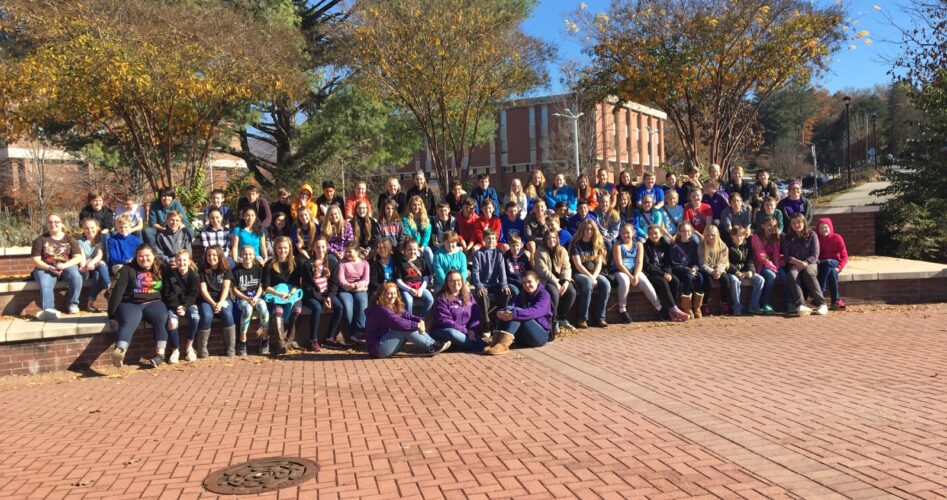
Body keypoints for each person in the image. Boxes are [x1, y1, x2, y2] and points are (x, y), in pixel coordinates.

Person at [106, 243, 169, 368]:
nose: (144, 259)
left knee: (161, 318)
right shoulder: (127, 269)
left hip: (153, 302)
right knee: (129, 321)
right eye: (140, 256)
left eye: (147, 256)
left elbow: (168, 289)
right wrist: (112, 313)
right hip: (131, 303)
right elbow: (117, 292)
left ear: (154, 256)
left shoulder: (161, 268)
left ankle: (160, 354)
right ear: (136, 257)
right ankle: (120, 351)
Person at [364, 283, 450, 358]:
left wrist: (420, 320)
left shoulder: (392, 305)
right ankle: (431, 347)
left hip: (386, 342)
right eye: (389, 293)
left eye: (394, 293)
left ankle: (434, 344)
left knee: (409, 325)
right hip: (378, 348)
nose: (393, 296)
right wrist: (417, 325)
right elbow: (397, 322)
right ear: (382, 295)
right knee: (405, 328)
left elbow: (407, 315)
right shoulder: (380, 309)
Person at [612, 224, 674, 323]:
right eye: (623, 233)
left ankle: (659, 308)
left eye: (628, 233)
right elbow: (619, 263)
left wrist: (636, 276)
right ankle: (622, 310)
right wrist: (630, 277)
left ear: (633, 233)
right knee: (625, 282)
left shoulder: (639, 244)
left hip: (635, 270)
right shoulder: (617, 245)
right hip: (621, 271)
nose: (625, 235)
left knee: (645, 282)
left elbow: (639, 262)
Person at [484, 272, 552, 355]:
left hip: (539, 337)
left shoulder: (544, 295)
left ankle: (503, 345)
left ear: (537, 282)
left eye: (529, 282)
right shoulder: (522, 294)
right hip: (522, 339)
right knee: (511, 311)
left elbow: (535, 311)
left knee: (516, 313)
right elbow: (510, 306)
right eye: (524, 283)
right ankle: (496, 343)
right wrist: (500, 312)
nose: (527, 285)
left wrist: (514, 315)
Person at [263, 237, 305, 354]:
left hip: (291, 294)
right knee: (278, 311)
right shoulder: (269, 264)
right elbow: (266, 286)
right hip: (275, 294)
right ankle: (281, 343)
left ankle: (290, 340)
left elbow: (297, 284)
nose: (282, 250)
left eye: (285, 248)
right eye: (279, 248)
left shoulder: (294, 263)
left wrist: (291, 293)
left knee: (297, 309)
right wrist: (278, 294)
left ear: (290, 248)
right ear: (275, 249)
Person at [301, 237, 345, 351]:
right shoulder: (308, 264)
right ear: (313, 248)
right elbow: (307, 287)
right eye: (318, 247)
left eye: (323, 247)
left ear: (327, 247)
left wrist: (329, 297)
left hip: (326, 293)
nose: (320, 250)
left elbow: (334, 283)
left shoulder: (332, 261)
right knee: (317, 308)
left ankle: (329, 338)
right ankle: (313, 340)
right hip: (312, 295)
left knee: (339, 307)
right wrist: (322, 299)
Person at [781, 213, 828, 316]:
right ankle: (801, 305)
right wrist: (798, 262)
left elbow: (815, 254)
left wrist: (806, 262)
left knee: (808, 273)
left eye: (799, 222)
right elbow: (786, 256)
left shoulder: (812, 235)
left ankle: (821, 303)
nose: (796, 225)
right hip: (795, 263)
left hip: (810, 263)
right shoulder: (787, 237)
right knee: (792, 275)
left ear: (804, 223)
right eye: (793, 223)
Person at [430, 270, 486, 351]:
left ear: (462, 281)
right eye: (452, 281)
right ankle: (482, 347)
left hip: (466, 332)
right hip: (443, 330)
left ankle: (463, 345)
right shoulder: (442, 298)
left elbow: (476, 315)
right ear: (447, 283)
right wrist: (465, 331)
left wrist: (473, 330)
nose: (456, 283)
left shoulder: (468, 296)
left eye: (458, 280)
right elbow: (445, 320)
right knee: (453, 333)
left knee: (468, 336)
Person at [570, 219, 611, 329]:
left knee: (606, 284)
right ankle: (582, 318)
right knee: (588, 283)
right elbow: (578, 265)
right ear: (582, 230)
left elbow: (598, 264)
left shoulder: (596, 244)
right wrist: (591, 277)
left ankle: (600, 317)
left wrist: (594, 277)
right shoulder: (576, 245)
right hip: (579, 273)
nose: (589, 231)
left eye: (592, 229)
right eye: (586, 229)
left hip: (594, 273)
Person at [196, 245, 236, 357]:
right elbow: (203, 290)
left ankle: (231, 348)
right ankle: (202, 348)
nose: (211, 257)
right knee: (206, 315)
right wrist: (213, 304)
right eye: (208, 255)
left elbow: (226, 288)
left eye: (214, 255)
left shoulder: (226, 269)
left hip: (223, 299)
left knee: (227, 314)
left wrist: (220, 302)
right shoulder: (202, 269)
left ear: (219, 256)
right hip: (207, 300)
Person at [642, 224, 688, 322]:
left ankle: (671, 310)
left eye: (655, 233)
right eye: (651, 234)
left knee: (675, 281)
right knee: (663, 282)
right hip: (652, 274)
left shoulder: (666, 245)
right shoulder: (645, 246)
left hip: (664, 272)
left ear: (661, 234)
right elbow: (648, 265)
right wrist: (663, 274)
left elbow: (669, 262)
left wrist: (668, 273)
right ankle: (675, 309)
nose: (653, 236)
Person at [534, 230, 577, 334]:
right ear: (545, 240)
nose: (551, 240)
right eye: (548, 238)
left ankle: (562, 318)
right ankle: (554, 320)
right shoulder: (540, 251)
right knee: (554, 293)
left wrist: (566, 281)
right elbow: (543, 271)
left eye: (553, 238)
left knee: (571, 292)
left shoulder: (562, 250)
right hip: (547, 280)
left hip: (561, 279)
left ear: (557, 239)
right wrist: (556, 283)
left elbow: (567, 267)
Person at [163, 248, 200, 363]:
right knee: (172, 322)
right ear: (175, 261)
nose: (181, 263)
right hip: (174, 305)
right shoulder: (169, 275)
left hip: (188, 304)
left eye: (184, 260)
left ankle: (189, 348)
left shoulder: (194, 276)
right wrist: (177, 306)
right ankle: (175, 350)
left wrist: (185, 307)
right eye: (179, 260)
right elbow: (167, 293)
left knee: (195, 318)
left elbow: (193, 294)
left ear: (189, 261)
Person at [231, 245, 269, 356]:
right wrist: (247, 298)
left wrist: (256, 297)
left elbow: (261, 286)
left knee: (263, 307)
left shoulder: (258, 269)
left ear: (254, 256)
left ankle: (265, 339)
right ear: (241, 255)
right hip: (242, 298)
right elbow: (234, 290)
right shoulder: (236, 270)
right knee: (247, 309)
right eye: (245, 254)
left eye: (250, 254)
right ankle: (242, 341)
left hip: (256, 296)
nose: (247, 256)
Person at [471, 229, 511, 334]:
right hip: (483, 284)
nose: (491, 241)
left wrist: (504, 285)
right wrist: (479, 286)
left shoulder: (499, 253)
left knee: (506, 293)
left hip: (495, 284)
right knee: (483, 296)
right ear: (483, 240)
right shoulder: (478, 254)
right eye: (488, 238)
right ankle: (487, 323)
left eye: (493, 238)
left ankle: (499, 320)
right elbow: (475, 272)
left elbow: (502, 271)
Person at [727, 226, 765, 315]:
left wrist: (750, 271)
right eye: (737, 235)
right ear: (732, 236)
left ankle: (753, 306)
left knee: (760, 280)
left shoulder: (747, 245)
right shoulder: (727, 246)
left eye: (741, 235)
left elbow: (750, 260)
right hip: (732, 272)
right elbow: (727, 263)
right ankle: (737, 308)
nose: (739, 238)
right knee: (735, 281)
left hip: (745, 271)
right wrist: (736, 272)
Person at [671, 222, 707, 319]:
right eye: (683, 231)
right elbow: (675, 263)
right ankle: (687, 307)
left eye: (688, 231)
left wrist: (694, 269)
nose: (686, 233)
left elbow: (696, 260)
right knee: (688, 278)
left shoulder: (694, 244)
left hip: (692, 269)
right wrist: (688, 270)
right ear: (679, 232)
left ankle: (697, 307)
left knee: (700, 277)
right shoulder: (675, 245)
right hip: (680, 270)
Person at [336, 244, 371, 342]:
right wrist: (353, 287)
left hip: (358, 288)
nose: (347, 254)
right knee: (348, 307)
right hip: (345, 289)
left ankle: (360, 331)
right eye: (346, 251)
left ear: (357, 252)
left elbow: (366, 280)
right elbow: (341, 280)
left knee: (362, 302)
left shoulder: (364, 263)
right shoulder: (342, 263)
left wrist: (355, 286)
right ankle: (351, 331)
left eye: (350, 251)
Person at [395, 238, 435, 316]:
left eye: (414, 249)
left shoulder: (422, 261)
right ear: (405, 250)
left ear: (418, 249)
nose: (412, 252)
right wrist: (410, 290)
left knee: (430, 300)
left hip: (420, 287)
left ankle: (421, 318)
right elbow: (398, 281)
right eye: (409, 250)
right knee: (409, 301)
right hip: (406, 288)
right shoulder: (401, 262)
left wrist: (421, 290)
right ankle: (409, 319)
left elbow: (426, 278)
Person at [77, 218, 110, 312]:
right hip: (87, 268)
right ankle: (110, 290)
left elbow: (99, 254)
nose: (89, 230)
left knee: (98, 273)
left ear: (97, 228)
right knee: (100, 266)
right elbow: (82, 257)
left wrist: (92, 262)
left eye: (92, 227)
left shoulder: (102, 238)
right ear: (83, 229)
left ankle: (90, 303)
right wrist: (85, 266)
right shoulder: (80, 241)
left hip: (97, 265)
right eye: (86, 228)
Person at [751, 216, 782, 315]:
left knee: (785, 276)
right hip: (760, 265)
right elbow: (761, 255)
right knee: (771, 275)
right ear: (762, 226)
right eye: (769, 225)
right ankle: (765, 303)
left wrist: (777, 267)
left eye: (774, 226)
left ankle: (790, 302)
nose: (772, 228)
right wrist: (774, 268)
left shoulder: (776, 237)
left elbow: (776, 254)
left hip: (773, 265)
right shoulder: (756, 237)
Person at [816, 218, 849, 310]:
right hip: (821, 263)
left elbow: (844, 256)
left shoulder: (837, 238)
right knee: (831, 271)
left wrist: (840, 267)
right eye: (821, 228)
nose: (824, 230)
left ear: (830, 227)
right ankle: (835, 301)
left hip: (834, 262)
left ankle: (819, 296)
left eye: (826, 227)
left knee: (829, 264)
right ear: (818, 229)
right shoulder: (816, 239)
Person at [698, 225, 732, 315]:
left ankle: (724, 303)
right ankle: (704, 304)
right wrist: (712, 272)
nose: (710, 237)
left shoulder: (723, 246)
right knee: (708, 281)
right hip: (706, 269)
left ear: (717, 235)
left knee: (726, 280)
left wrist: (718, 270)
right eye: (708, 235)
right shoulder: (702, 246)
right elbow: (702, 264)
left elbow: (724, 263)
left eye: (713, 235)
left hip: (718, 269)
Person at [402, 195, 432, 266]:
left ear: (421, 206)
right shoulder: (406, 219)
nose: (416, 207)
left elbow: (427, 235)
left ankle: (432, 272)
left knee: (428, 252)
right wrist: (416, 247)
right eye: (414, 205)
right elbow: (408, 235)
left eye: (418, 205)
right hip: (412, 245)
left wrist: (422, 246)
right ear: (410, 206)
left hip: (423, 245)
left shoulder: (426, 219)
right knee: (416, 255)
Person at [522, 199, 548, 263]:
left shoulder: (549, 218)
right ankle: (533, 264)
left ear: (545, 207)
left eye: (542, 206)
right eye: (537, 207)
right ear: (533, 209)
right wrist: (541, 240)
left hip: (546, 241)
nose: (539, 208)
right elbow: (528, 236)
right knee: (531, 244)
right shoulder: (528, 219)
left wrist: (543, 225)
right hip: (533, 242)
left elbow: (549, 234)